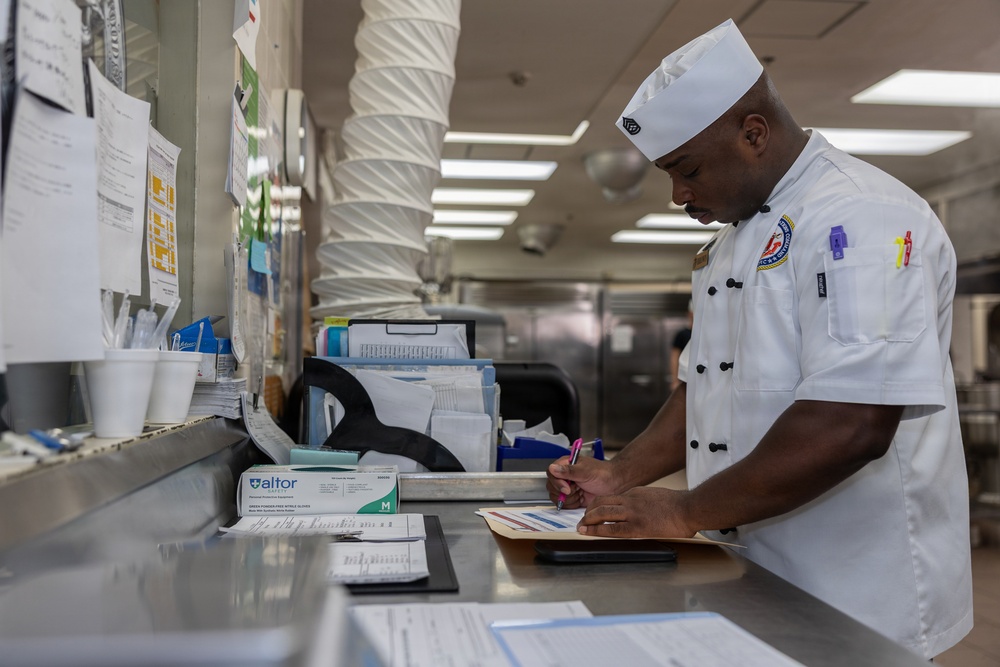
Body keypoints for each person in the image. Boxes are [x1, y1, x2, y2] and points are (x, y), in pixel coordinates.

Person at [547, 18, 972, 659]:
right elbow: (705, 384)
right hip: (749, 564)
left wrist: (683, 511)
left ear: (753, 133)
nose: (677, 194)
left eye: (687, 169)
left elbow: (853, 422)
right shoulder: (733, 239)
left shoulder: (861, 218)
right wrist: (620, 473)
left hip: (858, 583)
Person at [669, 304, 692, 392]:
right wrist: (675, 380)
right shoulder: (682, 335)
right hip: (684, 379)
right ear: (689, 314)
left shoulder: (705, 335)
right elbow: (674, 357)